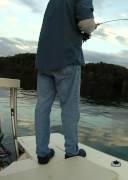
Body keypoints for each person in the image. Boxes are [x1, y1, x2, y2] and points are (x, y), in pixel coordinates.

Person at [35, 0, 97, 164]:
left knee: (42, 106)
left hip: (44, 60)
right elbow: (86, 24)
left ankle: (42, 153)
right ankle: (71, 151)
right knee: (69, 108)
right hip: (67, 58)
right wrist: (92, 27)